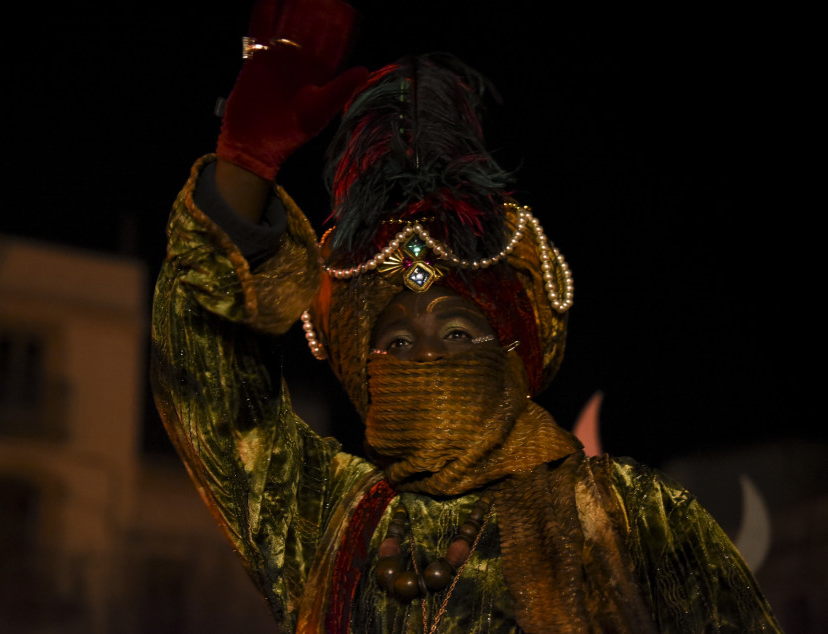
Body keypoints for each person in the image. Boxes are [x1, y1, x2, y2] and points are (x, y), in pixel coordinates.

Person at [149, 0, 783, 631]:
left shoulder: (631, 518)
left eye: (458, 332)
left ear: (514, 353)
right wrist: (243, 168)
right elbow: (211, 396)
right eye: (395, 343)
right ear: (362, 375)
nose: (425, 355)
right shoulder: (325, 522)